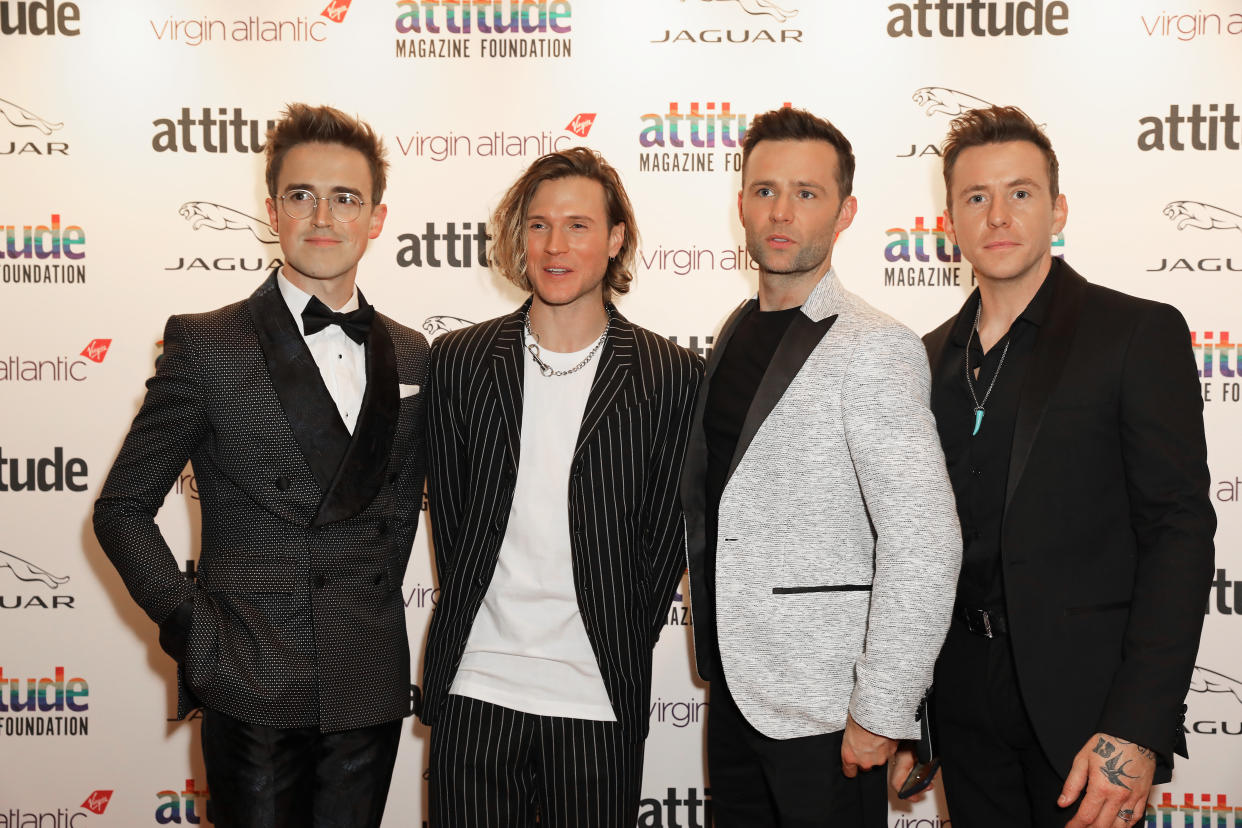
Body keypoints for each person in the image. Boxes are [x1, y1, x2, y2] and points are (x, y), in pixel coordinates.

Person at [93, 103, 428, 828]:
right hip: (250, 680)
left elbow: (399, 518)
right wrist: (194, 629)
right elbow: (121, 509)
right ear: (273, 210)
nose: (323, 216)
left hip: (365, 684)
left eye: (346, 198)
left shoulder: (412, 355)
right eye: (302, 195)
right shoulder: (207, 345)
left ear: (377, 218)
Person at [908, 104, 1215, 828]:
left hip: (1088, 715)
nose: (998, 215)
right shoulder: (922, 360)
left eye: (1021, 192)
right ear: (949, 219)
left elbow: (1178, 535)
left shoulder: (1135, 333)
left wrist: (1137, 728)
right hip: (961, 704)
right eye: (975, 198)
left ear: (1058, 208)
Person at [679, 106, 962, 827]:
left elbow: (925, 541)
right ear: (740, 202)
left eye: (807, 193)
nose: (781, 211)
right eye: (765, 190)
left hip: (828, 708)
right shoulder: (736, 328)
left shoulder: (876, 346)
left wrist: (883, 707)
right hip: (739, 694)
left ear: (845, 212)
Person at [418, 147, 702, 827]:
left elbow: (666, 539)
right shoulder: (460, 361)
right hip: (475, 685)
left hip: (598, 693)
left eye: (578, 225)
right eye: (539, 225)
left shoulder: (669, 375)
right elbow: (454, 522)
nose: (554, 245)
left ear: (615, 239)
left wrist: (621, 633)